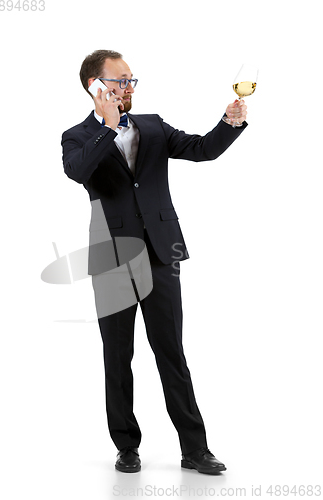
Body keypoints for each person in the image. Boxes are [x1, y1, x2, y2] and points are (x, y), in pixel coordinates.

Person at [61, 49, 248, 474]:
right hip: (111, 258)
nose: (128, 87)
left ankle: (195, 449)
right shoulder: (76, 136)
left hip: (163, 254)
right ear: (96, 86)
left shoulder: (153, 125)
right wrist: (107, 127)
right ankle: (127, 446)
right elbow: (78, 170)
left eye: (131, 80)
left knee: (171, 352)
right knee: (117, 356)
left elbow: (202, 150)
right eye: (120, 80)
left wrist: (229, 122)